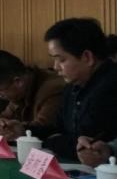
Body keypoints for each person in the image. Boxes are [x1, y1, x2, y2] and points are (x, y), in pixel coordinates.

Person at [34, 18, 117, 161]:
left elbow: (85, 145)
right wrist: (24, 131)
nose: (55, 67)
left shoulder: (111, 86)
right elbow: (58, 129)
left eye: (61, 60)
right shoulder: (73, 85)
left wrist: (51, 141)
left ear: (87, 57)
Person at [0, 50, 64, 143]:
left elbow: (42, 128)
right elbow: (6, 116)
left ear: (18, 82)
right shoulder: (19, 90)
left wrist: (18, 129)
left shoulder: (52, 90)